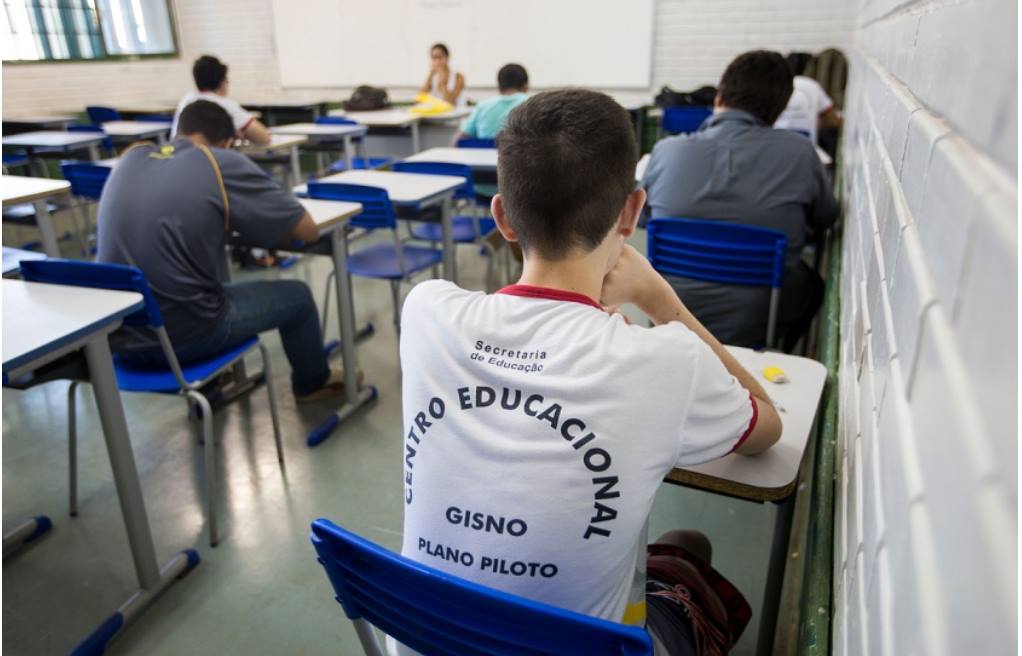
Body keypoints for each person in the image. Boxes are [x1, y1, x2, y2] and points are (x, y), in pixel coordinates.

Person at [396, 89, 782, 654]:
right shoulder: (666, 358)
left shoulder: (425, 309)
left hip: (429, 639)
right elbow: (767, 429)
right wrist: (660, 299)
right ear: (632, 211)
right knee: (686, 542)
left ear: (501, 216)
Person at [97, 100, 353, 403]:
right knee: (298, 296)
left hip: (120, 337)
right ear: (227, 142)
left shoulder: (130, 158)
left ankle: (213, 384)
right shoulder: (217, 161)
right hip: (184, 338)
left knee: (204, 278)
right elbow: (307, 230)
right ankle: (313, 383)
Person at [641, 50, 839, 351]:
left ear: (719, 97)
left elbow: (643, 219)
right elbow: (825, 217)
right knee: (811, 285)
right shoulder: (799, 153)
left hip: (668, 313)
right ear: (779, 109)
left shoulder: (667, 151)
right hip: (760, 319)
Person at [171, 54, 271, 145]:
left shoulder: (186, 99)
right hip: (206, 161)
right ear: (222, 82)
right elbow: (264, 138)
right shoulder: (224, 104)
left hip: (176, 156)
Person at [774, 52, 842, 144]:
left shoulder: (771, 87)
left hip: (773, 144)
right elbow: (833, 121)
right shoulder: (811, 85)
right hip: (805, 146)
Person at [451, 63, 529, 143]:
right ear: (526, 86)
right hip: (521, 154)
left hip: (485, 154)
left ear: (499, 87)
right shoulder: (531, 104)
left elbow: (458, 140)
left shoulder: (482, 106)